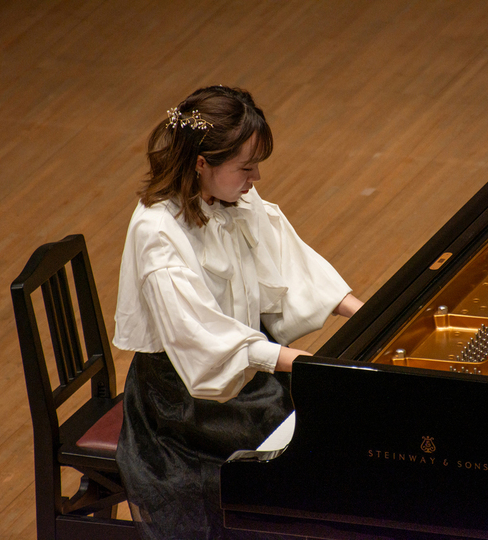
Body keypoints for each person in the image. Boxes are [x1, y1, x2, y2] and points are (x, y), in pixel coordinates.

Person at [113, 85, 362, 540]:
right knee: (307, 459)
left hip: (249, 378)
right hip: (185, 409)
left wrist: (367, 313)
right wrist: (308, 366)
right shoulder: (157, 232)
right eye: (246, 167)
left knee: (334, 435)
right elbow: (203, 341)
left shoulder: (235, 200)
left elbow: (291, 261)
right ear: (200, 164)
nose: (257, 178)